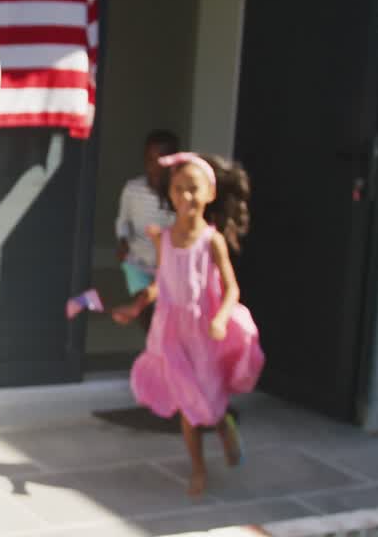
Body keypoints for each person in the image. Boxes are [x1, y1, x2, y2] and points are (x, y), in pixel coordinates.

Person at [112, 152, 264, 498]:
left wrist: (222, 318)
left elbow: (232, 288)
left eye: (193, 189)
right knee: (187, 403)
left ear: (209, 193)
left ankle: (223, 423)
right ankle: (198, 470)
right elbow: (160, 282)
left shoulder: (212, 241)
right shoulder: (163, 238)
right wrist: (136, 307)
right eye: (179, 189)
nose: (186, 197)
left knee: (208, 402)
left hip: (203, 331)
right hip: (171, 331)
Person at [111, 129, 180, 331]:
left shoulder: (178, 195)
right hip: (137, 261)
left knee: (166, 312)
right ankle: (155, 351)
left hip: (167, 265)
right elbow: (123, 221)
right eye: (151, 160)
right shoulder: (132, 190)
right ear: (144, 160)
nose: (156, 167)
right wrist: (123, 241)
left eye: (163, 161)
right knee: (145, 312)